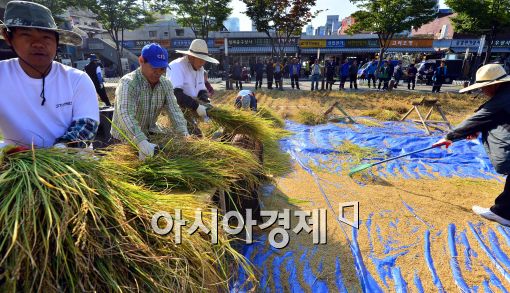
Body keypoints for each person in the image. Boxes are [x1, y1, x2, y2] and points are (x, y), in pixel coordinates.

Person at [0, 1, 99, 149]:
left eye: (46, 37)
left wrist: (64, 148)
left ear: (57, 41)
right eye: (26, 35)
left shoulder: (77, 79)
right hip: (17, 165)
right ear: (8, 38)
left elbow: (87, 124)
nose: (38, 44)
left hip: (74, 165)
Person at [433, 64, 510, 226]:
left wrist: (449, 137)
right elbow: (493, 119)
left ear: (494, 85)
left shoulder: (503, 98)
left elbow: (480, 118)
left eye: (484, 87)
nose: (482, 91)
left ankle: (502, 212)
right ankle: (503, 211)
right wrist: (479, 128)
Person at [111, 43, 189, 160]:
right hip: (124, 139)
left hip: (148, 136)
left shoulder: (165, 84)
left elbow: (174, 110)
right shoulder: (129, 83)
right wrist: (141, 142)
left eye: (162, 69)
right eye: (154, 68)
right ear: (141, 61)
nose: (158, 72)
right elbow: (125, 113)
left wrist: (184, 134)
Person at [167, 39, 219, 136]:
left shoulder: (200, 68)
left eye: (204, 60)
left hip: (190, 108)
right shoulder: (177, 66)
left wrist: (206, 103)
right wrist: (197, 106)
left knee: (197, 135)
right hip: (177, 110)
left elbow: (201, 90)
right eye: (200, 59)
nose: (203, 63)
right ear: (191, 57)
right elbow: (175, 95)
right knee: (194, 136)